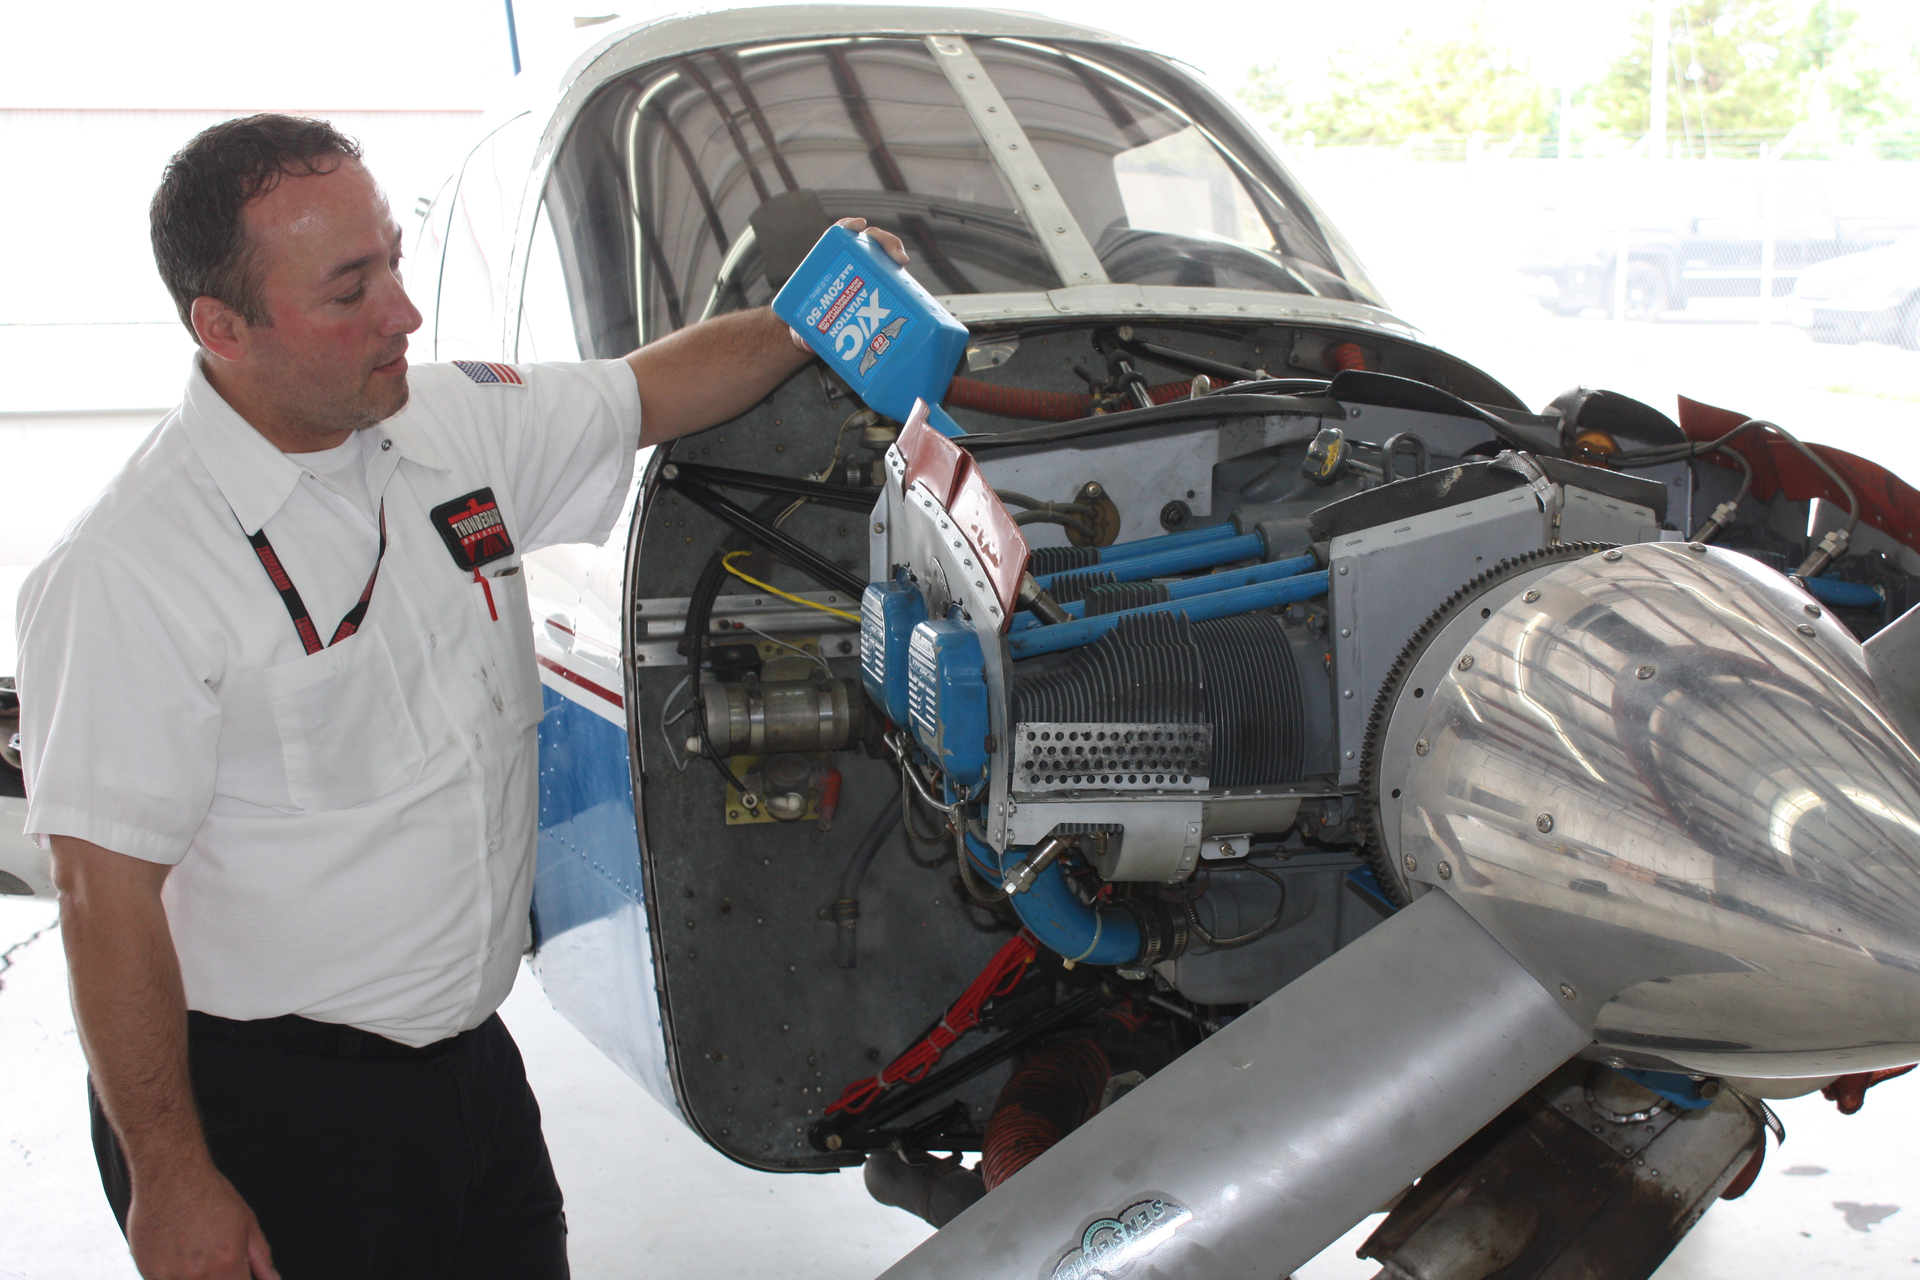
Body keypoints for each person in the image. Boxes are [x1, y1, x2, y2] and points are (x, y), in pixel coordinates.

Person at [15, 113, 906, 1280]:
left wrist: (809, 312)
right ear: (221, 328)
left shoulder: (447, 421)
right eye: (350, 290)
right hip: (269, 1110)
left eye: (392, 258)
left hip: (469, 1069)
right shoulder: (127, 571)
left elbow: (648, 392)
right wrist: (173, 1173)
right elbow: (104, 900)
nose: (405, 312)